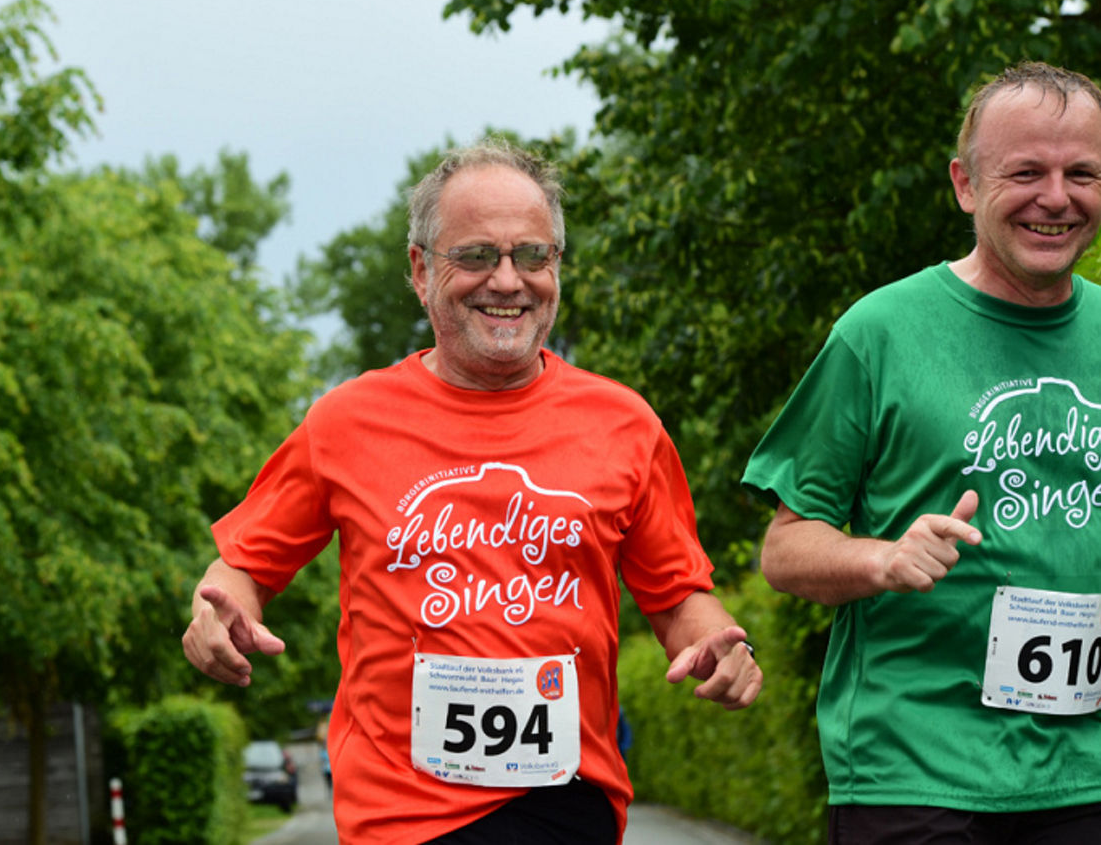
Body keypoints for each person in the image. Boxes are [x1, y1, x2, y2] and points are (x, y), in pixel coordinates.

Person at [183, 138, 763, 844]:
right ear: (422, 270)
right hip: (397, 817)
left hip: (563, 804)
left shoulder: (624, 424)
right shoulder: (347, 421)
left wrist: (716, 645)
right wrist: (221, 613)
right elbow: (243, 564)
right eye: (478, 256)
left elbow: (677, 593)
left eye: (533, 256)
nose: (508, 281)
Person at [742, 61, 1101, 844]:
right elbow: (785, 547)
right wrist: (883, 561)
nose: (1057, 197)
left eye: (1082, 173)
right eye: (1026, 172)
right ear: (965, 185)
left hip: (1084, 772)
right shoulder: (878, 333)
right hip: (915, 768)